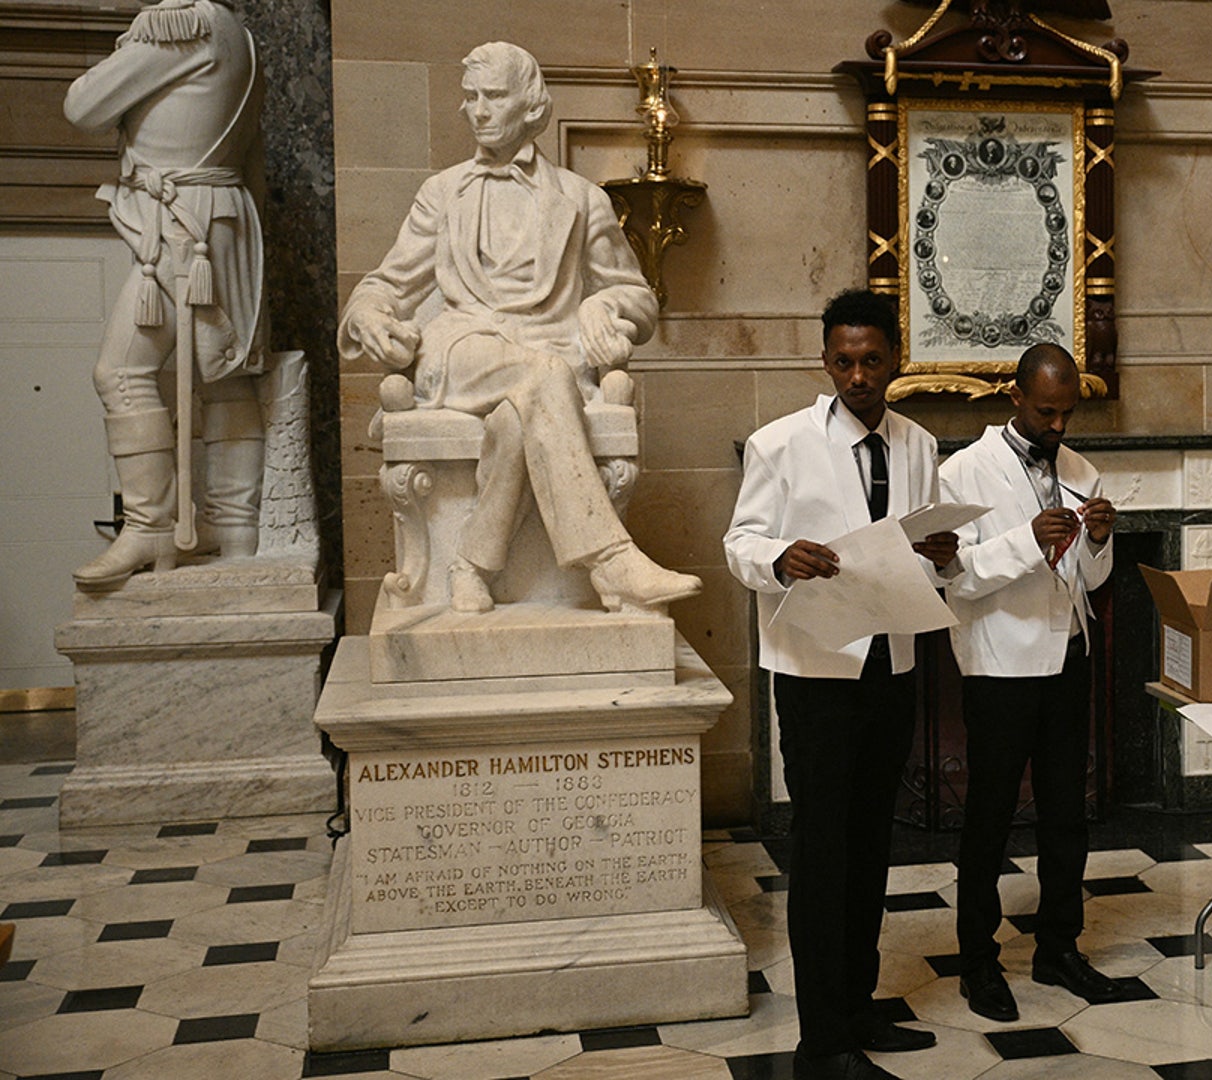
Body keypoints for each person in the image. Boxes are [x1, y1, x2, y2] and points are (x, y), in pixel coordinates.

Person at [338, 41, 697, 613]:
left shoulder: (580, 200)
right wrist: (370, 315)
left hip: (540, 361)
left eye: (494, 96)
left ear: (531, 107)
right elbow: (385, 284)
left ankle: (471, 564)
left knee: (516, 419)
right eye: (470, 97)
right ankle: (610, 561)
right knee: (548, 376)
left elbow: (636, 297)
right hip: (461, 351)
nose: (477, 110)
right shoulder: (442, 193)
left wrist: (602, 309)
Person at [723, 289, 958, 1080]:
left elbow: (925, 546)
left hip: (891, 664)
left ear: (895, 361)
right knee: (822, 852)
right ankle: (821, 1039)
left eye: (872, 360)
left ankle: (859, 1007)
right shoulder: (780, 443)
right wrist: (780, 555)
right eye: (843, 361)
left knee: (871, 847)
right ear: (826, 362)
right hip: (817, 670)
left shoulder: (919, 443)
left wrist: (943, 552)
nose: (858, 374)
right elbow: (740, 543)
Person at [938, 343, 1123, 1022]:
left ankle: (1058, 947)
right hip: (1000, 666)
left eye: (1068, 412)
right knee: (988, 819)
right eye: (1047, 411)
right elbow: (953, 574)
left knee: (1066, 816)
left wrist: (1099, 541)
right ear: (1014, 397)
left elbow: (1093, 581)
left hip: (1066, 659)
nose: (1060, 426)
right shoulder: (962, 472)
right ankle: (978, 963)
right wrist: (1027, 540)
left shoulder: (1079, 467)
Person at [64, 0, 272, 586]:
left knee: (121, 373)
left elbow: (82, 105)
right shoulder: (242, 37)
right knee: (225, 377)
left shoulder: (182, 26)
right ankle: (236, 535)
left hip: (181, 227)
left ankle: (151, 525)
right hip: (224, 219)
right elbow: (250, 154)